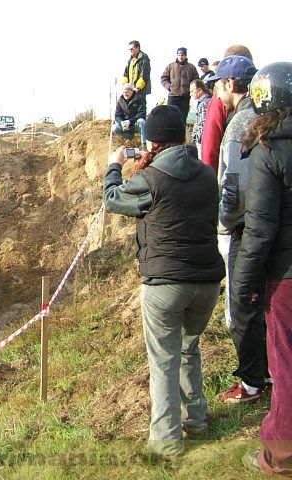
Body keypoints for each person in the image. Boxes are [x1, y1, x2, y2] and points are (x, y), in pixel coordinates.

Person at [103, 105, 224, 458]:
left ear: (151, 140)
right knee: (189, 348)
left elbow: (113, 199)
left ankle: (166, 442)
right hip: (207, 282)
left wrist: (115, 165)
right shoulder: (206, 174)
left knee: (164, 360)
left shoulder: (151, 178)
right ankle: (197, 421)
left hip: (166, 283)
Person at [232, 62, 292, 477]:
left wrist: (243, 285)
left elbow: (259, 229)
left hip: (285, 276)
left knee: (285, 361)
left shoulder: (269, 152)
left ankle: (281, 455)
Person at [205, 56, 269, 405]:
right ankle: (269, 373)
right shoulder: (265, 114)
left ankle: (251, 382)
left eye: (218, 83)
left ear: (230, 84)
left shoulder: (240, 122)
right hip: (266, 222)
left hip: (245, 227)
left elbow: (233, 183)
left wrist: (225, 221)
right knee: (266, 302)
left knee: (242, 304)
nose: (216, 89)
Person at [201, 45, 253, 173]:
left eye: (218, 87)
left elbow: (210, 150)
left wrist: (210, 185)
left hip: (237, 186)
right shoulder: (264, 101)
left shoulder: (221, 104)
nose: (217, 94)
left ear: (230, 83)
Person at [161, 47, 200, 124]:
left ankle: (181, 136)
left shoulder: (191, 67)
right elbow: (163, 78)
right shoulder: (170, 66)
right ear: (177, 55)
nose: (181, 57)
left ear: (185, 56)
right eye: (179, 55)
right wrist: (169, 87)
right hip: (173, 96)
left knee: (182, 119)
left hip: (185, 97)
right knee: (171, 119)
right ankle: (171, 136)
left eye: (182, 55)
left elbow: (196, 80)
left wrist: (191, 90)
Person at [112, 83, 147, 148]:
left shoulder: (139, 98)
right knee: (115, 127)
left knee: (142, 121)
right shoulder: (120, 100)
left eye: (127, 92)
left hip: (136, 124)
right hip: (126, 126)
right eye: (124, 92)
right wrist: (121, 122)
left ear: (132, 91)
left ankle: (144, 144)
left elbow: (142, 113)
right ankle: (129, 136)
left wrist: (130, 121)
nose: (125, 94)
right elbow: (117, 115)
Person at [123, 40, 151, 111]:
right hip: (130, 89)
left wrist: (137, 88)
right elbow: (125, 74)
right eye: (129, 49)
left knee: (140, 109)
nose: (130, 50)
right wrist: (125, 86)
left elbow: (144, 75)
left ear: (137, 48)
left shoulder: (144, 59)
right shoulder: (130, 59)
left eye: (132, 49)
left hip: (140, 90)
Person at [189, 79, 212, 158]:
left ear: (199, 90)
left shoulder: (204, 104)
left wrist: (197, 137)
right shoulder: (207, 101)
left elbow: (203, 124)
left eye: (192, 91)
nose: (191, 94)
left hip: (202, 142)